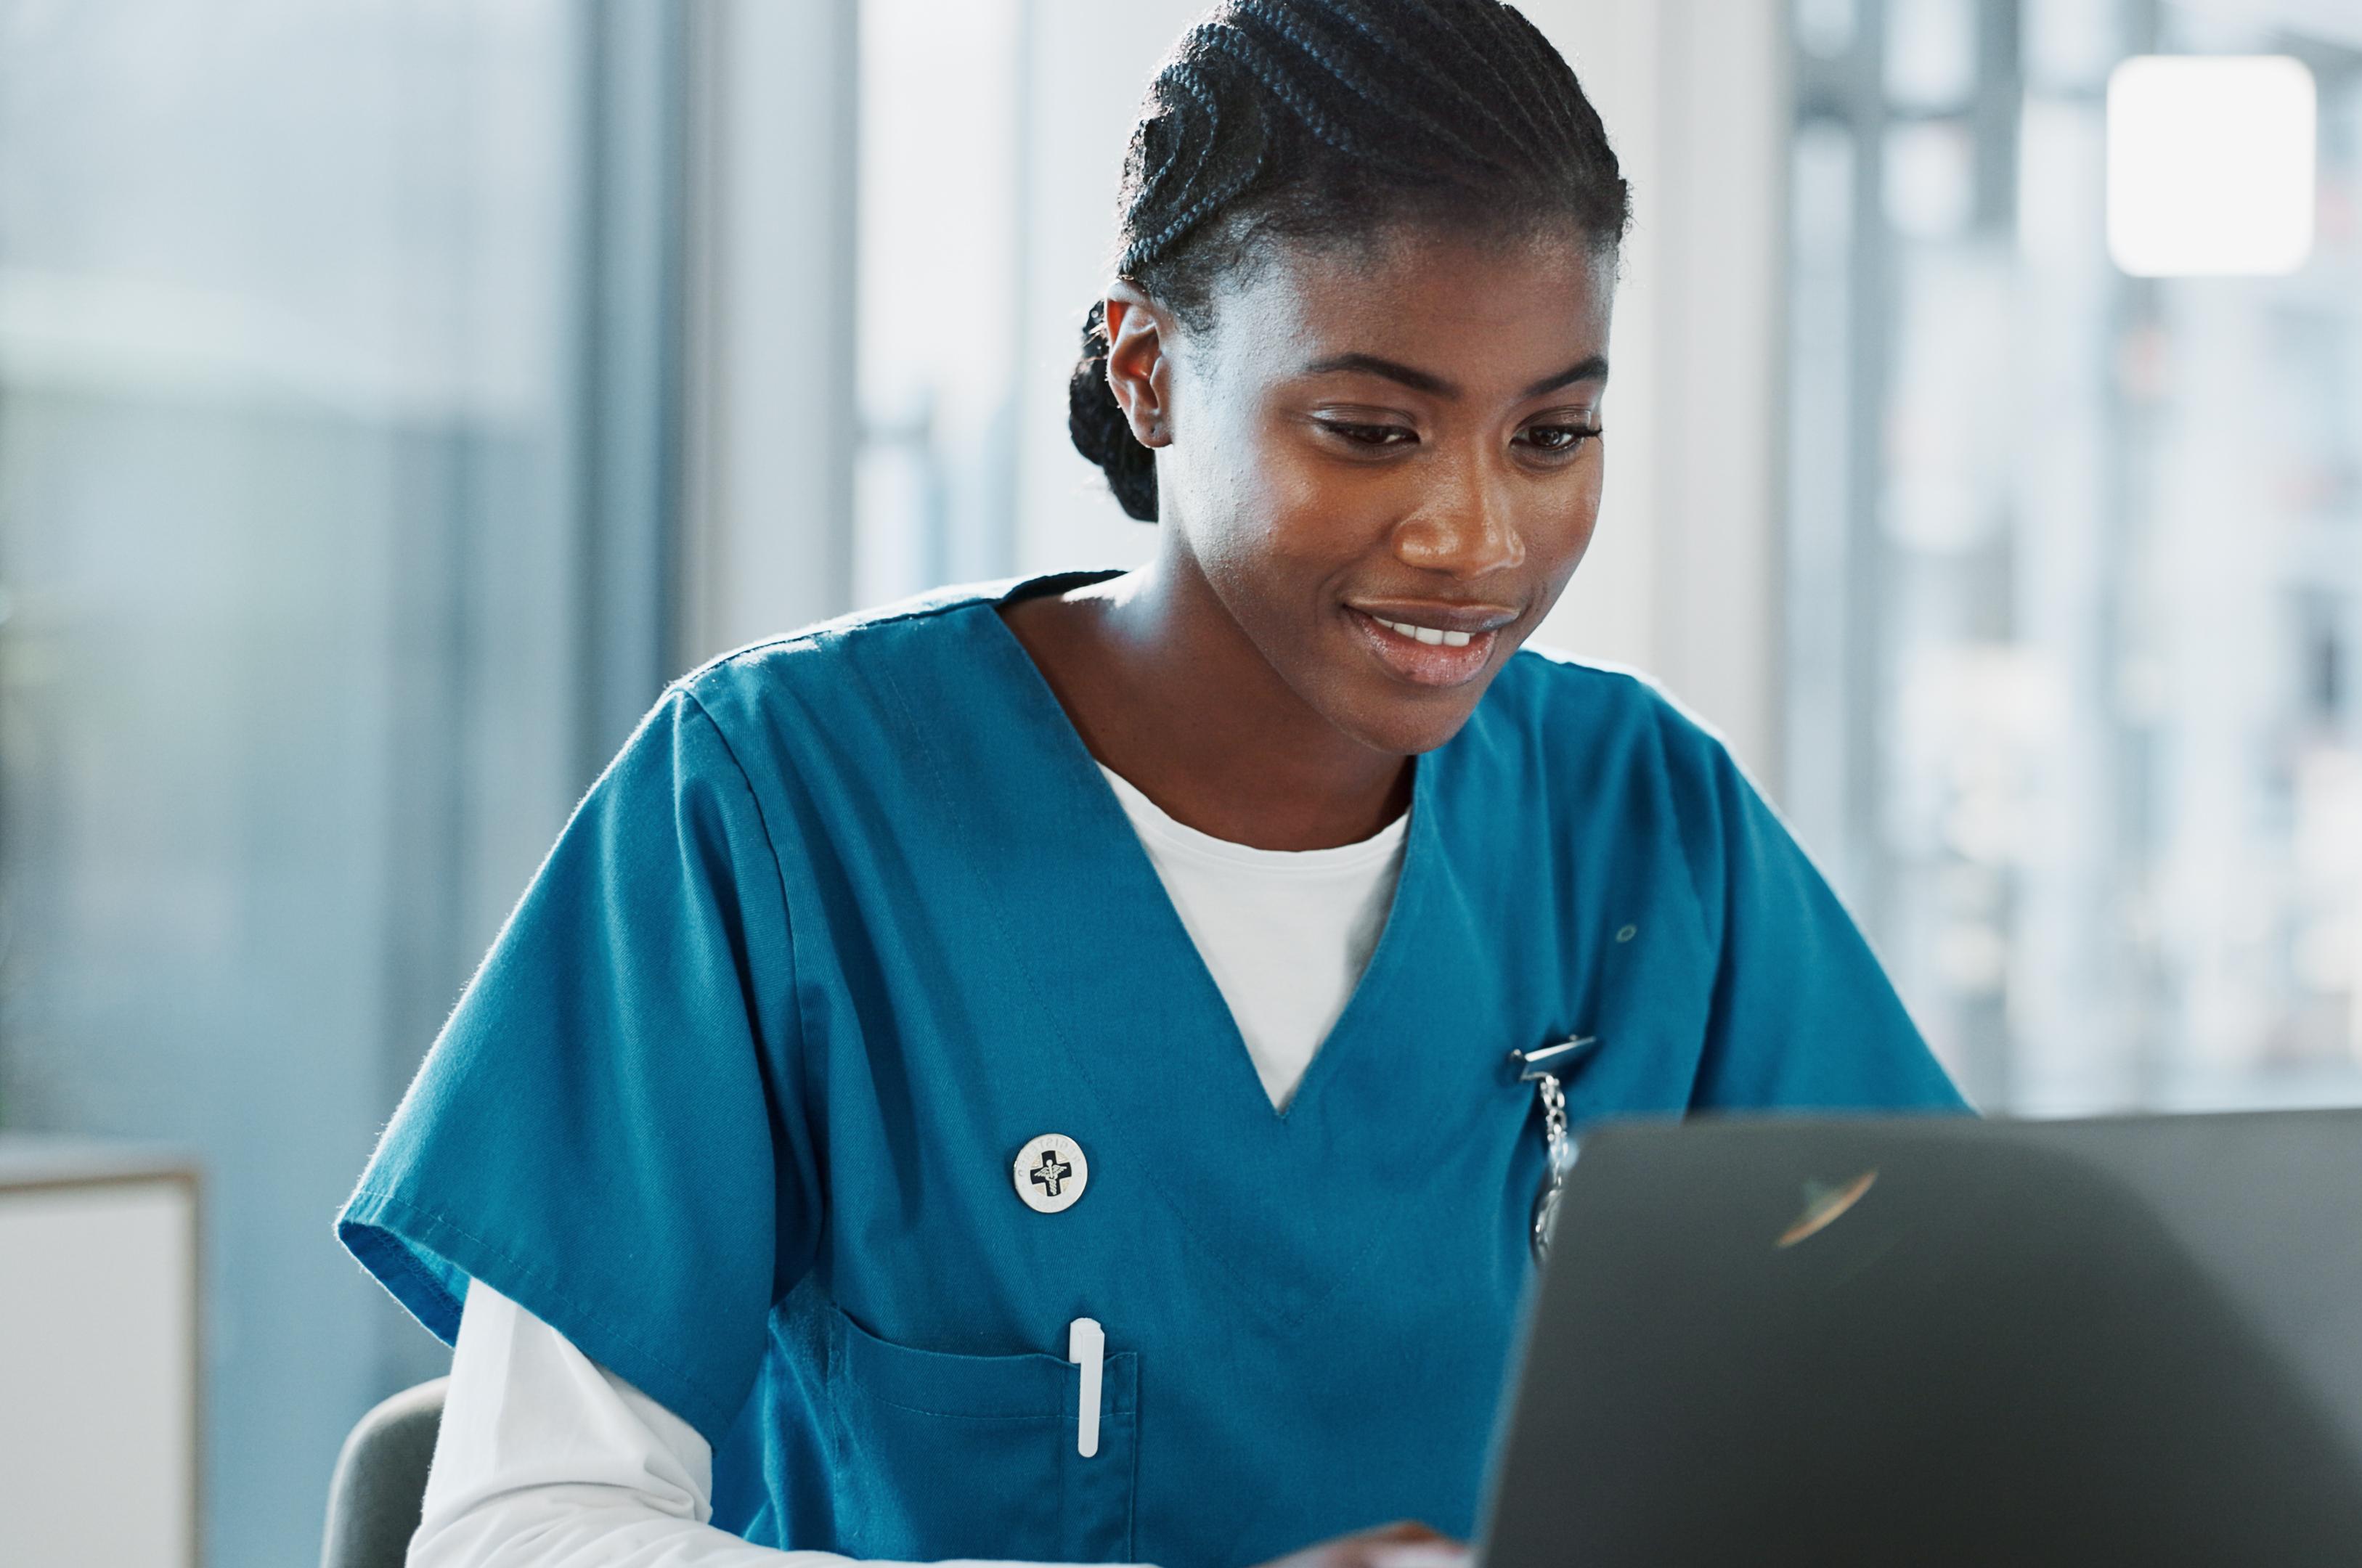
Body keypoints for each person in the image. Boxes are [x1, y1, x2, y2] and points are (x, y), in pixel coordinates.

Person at [336, 4, 1964, 1566]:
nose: (1476, 540)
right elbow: (520, 1531)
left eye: (1549, 439)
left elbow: (1973, 1382)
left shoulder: (1647, 828)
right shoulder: (777, 805)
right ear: (1145, 372)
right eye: (1368, 430)